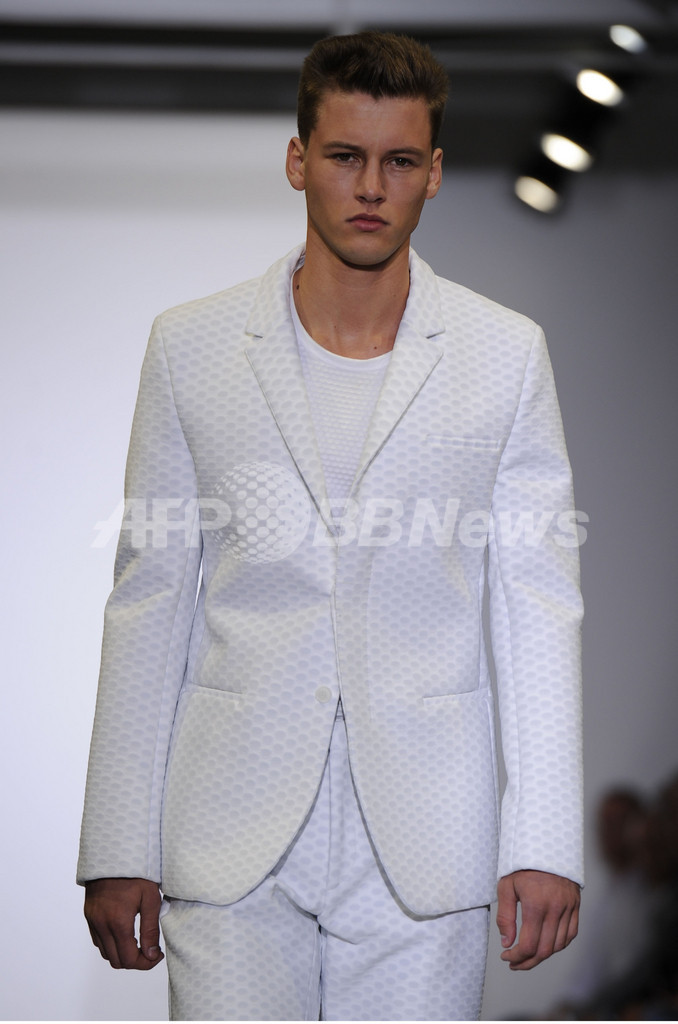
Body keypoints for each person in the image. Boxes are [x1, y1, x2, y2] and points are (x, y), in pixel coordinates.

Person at [78, 30, 584, 1021]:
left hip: (426, 840)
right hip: (231, 831)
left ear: (434, 174)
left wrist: (546, 840)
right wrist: (117, 840)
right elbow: (150, 595)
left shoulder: (504, 354)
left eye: (399, 162)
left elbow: (537, 603)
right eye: (346, 156)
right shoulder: (193, 347)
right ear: (298, 159)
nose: (371, 187)